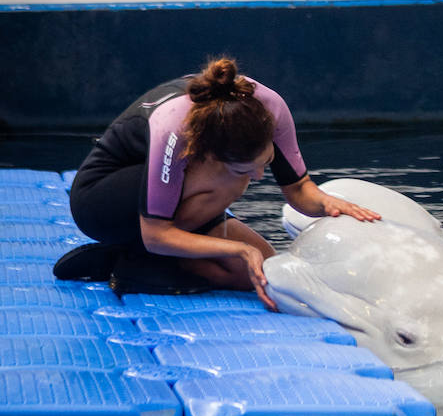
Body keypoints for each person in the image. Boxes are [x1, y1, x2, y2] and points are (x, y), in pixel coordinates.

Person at [55, 55, 379, 306]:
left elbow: (298, 190)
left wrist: (332, 205)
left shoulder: (271, 109)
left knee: (262, 272)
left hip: (174, 199)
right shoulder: (174, 128)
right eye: (245, 169)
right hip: (100, 200)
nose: (258, 177)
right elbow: (156, 234)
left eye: (265, 161)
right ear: (208, 154)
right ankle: (139, 260)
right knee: (229, 194)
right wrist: (236, 247)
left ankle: (115, 257)